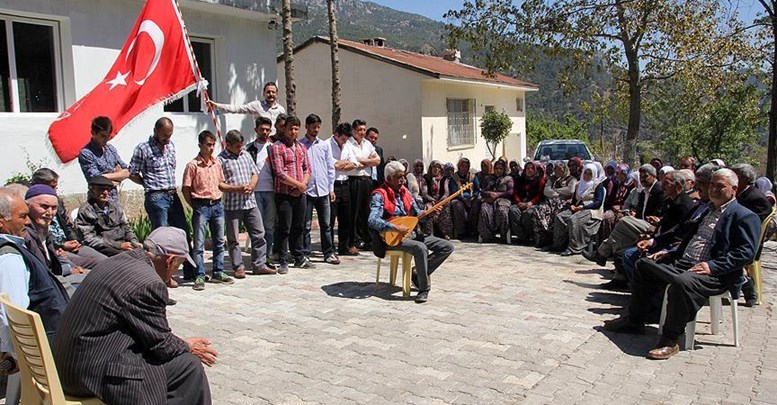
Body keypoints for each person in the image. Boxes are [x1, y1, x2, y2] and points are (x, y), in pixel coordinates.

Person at [603, 169, 760, 360]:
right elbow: (684, 235)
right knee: (643, 265)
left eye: (720, 186)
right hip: (684, 262)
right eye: (712, 185)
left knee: (682, 282)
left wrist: (712, 266)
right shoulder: (706, 209)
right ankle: (635, 321)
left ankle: (670, 339)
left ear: (734, 189)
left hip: (714, 273)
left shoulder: (744, 216)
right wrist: (667, 251)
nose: (714, 190)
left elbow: (746, 253)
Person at [52, 227, 217, 404]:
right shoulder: (149, 283)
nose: (175, 272)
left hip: (66, 363)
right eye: (179, 265)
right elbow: (162, 345)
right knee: (188, 366)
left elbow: (149, 331)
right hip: (85, 374)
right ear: (170, 261)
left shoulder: (118, 260)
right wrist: (187, 346)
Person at [368, 161, 454, 303]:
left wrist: (430, 214)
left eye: (404, 176)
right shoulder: (379, 195)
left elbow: (417, 214)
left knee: (447, 247)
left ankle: (417, 273)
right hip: (392, 238)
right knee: (420, 247)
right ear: (389, 179)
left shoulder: (405, 193)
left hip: (411, 234)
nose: (403, 180)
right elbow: (372, 220)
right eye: (399, 177)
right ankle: (423, 289)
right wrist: (394, 227)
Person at [129, 117, 194, 281]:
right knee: (162, 239)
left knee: (182, 233)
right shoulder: (143, 148)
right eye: (164, 135)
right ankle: (162, 277)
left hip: (173, 194)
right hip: (156, 196)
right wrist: (146, 183)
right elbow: (132, 172)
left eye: (170, 135)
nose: (167, 139)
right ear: (156, 131)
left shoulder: (170, 146)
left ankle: (191, 271)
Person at [587, 164, 667, 266]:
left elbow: (658, 214)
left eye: (645, 176)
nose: (642, 179)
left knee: (623, 221)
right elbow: (639, 212)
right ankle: (617, 273)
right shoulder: (643, 191)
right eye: (641, 177)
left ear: (654, 176)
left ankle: (602, 253)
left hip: (653, 226)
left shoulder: (659, 191)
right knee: (621, 235)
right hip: (642, 223)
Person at [218, 129, 272, 279]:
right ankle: (238, 267)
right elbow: (220, 184)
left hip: (250, 203)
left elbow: (255, 173)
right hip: (232, 205)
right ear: (228, 144)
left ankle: (259, 264)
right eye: (237, 146)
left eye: (241, 145)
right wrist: (237, 189)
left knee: (259, 233)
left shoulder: (246, 155)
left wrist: (252, 185)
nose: (240, 148)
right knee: (234, 238)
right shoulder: (221, 160)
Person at [30, 168, 107, 270]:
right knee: (91, 267)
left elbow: (67, 225)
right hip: (57, 250)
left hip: (70, 245)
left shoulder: (58, 202)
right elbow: (41, 239)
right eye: (51, 187)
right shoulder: (33, 209)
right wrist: (59, 247)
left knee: (105, 261)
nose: (54, 192)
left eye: (55, 188)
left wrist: (74, 240)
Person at [182, 130, 231, 290]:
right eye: (208, 145)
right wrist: (195, 205)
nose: (211, 148)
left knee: (219, 241)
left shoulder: (216, 163)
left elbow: (221, 183)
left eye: (213, 145)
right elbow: (186, 189)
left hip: (217, 205)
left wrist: (236, 188)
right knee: (199, 243)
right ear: (200, 145)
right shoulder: (192, 165)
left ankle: (218, 271)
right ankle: (199, 275)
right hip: (201, 206)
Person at [23, 185, 90, 294]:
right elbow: (42, 271)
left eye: (54, 208)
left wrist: (75, 268)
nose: (50, 213)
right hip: (46, 286)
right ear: (27, 206)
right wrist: (69, 269)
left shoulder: (44, 231)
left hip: (57, 276)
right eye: (44, 206)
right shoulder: (26, 235)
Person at [269, 116, 313, 273]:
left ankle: (299, 257)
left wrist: (303, 185)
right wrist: (298, 185)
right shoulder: (277, 147)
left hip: (300, 194)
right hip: (284, 194)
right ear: (284, 129)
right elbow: (279, 173)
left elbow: (307, 168)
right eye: (290, 129)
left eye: (296, 129)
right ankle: (282, 259)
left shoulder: (301, 147)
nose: (293, 132)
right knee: (284, 228)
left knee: (299, 226)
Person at [300, 114, 338, 264]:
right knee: (306, 225)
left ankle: (328, 253)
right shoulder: (300, 145)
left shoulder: (324, 145)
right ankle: (305, 253)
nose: (316, 130)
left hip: (323, 190)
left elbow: (330, 168)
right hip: (307, 190)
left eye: (318, 127)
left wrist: (331, 188)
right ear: (307, 127)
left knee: (326, 224)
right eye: (313, 127)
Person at [76, 176, 142, 257]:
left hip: (122, 243)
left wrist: (134, 241)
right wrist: (118, 245)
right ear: (92, 191)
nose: (106, 192)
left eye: (108, 189)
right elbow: (89, 238)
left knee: (143, 254)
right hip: (104, 246)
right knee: (127, 257)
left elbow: (126, 227)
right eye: (101, 189)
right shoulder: (86, 210)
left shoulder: (115, 207)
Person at [245, 117, 278, 269]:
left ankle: (268, 255)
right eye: (262, 129)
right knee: (257, 228)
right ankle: (258, 256)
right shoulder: (248, 149)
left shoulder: (274, 147)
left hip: (271, 191)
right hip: (255, 192)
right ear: (256, 129)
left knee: (269, 226)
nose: (264, 132)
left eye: (267, 130)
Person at [553, 164, 606, 256]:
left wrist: (583, 207)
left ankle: (574, 247)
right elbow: (574, 200)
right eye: (585, 173)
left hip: (592, 210)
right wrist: (572, 206)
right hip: (578, 208)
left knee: (574, 219)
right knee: (560, 217)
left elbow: (598, 202)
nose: (587, 176)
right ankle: (559, 244)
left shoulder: (597, 185)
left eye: (590, 174)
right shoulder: (579, 184)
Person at [77, 116, 130, 202]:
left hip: (114, 200)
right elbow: (95, 179)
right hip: (97, 200)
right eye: (103, 136)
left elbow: (127, 171)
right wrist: (117, 178)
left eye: (108, 136)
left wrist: (107, 177)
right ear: (93, 133)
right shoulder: (86, 153)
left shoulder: (110, 149)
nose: (106, 139)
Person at [346, 119, 380, 251]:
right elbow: (354, 161)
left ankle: (367, 239)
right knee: (354, 212)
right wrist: (367, 161)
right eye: (359, 130)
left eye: (363, 130)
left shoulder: (367, 144)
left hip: (367, 181)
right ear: (354, 130)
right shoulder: (349, 143)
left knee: (366, 211)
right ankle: (353, 240)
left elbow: (377, 160)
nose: (362, 132)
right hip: (354, 180)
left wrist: (364, 161)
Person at [206, 81, 286, 137]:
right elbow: (238, 108)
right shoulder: (257, 105)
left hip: (278, 143)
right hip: (262, 142)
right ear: (264, 93)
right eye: (268, 92)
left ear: (277, 94)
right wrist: (217, 106)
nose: (271, 94)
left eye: (273, 92)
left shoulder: (281, 110)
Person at [531, 161, 578, 248]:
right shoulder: (552, 178)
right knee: (538, 210)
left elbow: (570, 191)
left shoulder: (571, 179)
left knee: (557, 214)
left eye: (560, 169)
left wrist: (555, 189)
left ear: (564, 169)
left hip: (563, 202)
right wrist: (560, 192)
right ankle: (542, 238)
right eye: (556, 169)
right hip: (550, 202)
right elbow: (546, 191)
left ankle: (555, 240)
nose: (557, 171)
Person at [329, 123, 359, 256]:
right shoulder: (327, 145)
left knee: (346, 217)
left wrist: (342, 165)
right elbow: (332, 164)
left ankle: (344, 246)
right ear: (336, 135)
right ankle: (329, 248)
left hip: (345, 183)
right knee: (330, 218)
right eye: (342, 139)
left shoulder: (348, 145)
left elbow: (354, 164)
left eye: (346, 139)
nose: (345, 141)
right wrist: (343, 164)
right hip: (332, 184)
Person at [508, 161, 545, 245]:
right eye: (527, 168)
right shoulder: (521, 180)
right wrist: (518, 202)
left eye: (532, 168)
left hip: (534, 204)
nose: (529, 170)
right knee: (513, 210)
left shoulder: (539, 180)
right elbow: (516, 193)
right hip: (521, 202)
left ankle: (530, 235)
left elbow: (540, 195)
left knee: (528, 213)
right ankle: (523, 237)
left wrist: (530, 203)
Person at [480, 160, 515, 243]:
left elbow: (510, 192)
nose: (498, 170)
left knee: (502, 211)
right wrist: (489, 193)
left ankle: (504, 236)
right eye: (496, 168)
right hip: (489, 200)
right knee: (484, 209)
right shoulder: (488, 178)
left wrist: (498, 195)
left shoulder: (508, 179)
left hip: (503, 200)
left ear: (504, 169)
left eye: (500, 169)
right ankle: (487, 236)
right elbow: (482, 191)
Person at [599, 164, 636, 242]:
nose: (620, 176)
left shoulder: (632, 186)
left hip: (625, 209)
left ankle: (616, 244)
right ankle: (605, 243)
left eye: (623, 174)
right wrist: (613, 206)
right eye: (618, 173)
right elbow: (611, 198)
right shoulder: (617, 183)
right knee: (606, 217)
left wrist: (621, 207)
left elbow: (631, 202)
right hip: (614, 208)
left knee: (619, 219)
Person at [449, 158, 480, 239]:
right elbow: (453, 192)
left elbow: (477, 190)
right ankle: (461, 231)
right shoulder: (454, 178)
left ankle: (473, 230)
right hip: (459, 199)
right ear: (459, 167)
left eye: (466, 166)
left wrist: (473, 198)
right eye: (462, 166)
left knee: (477, 204)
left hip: (471, 198)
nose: (464, 168)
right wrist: (463, 200)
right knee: (457, 205)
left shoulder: (472, 177)